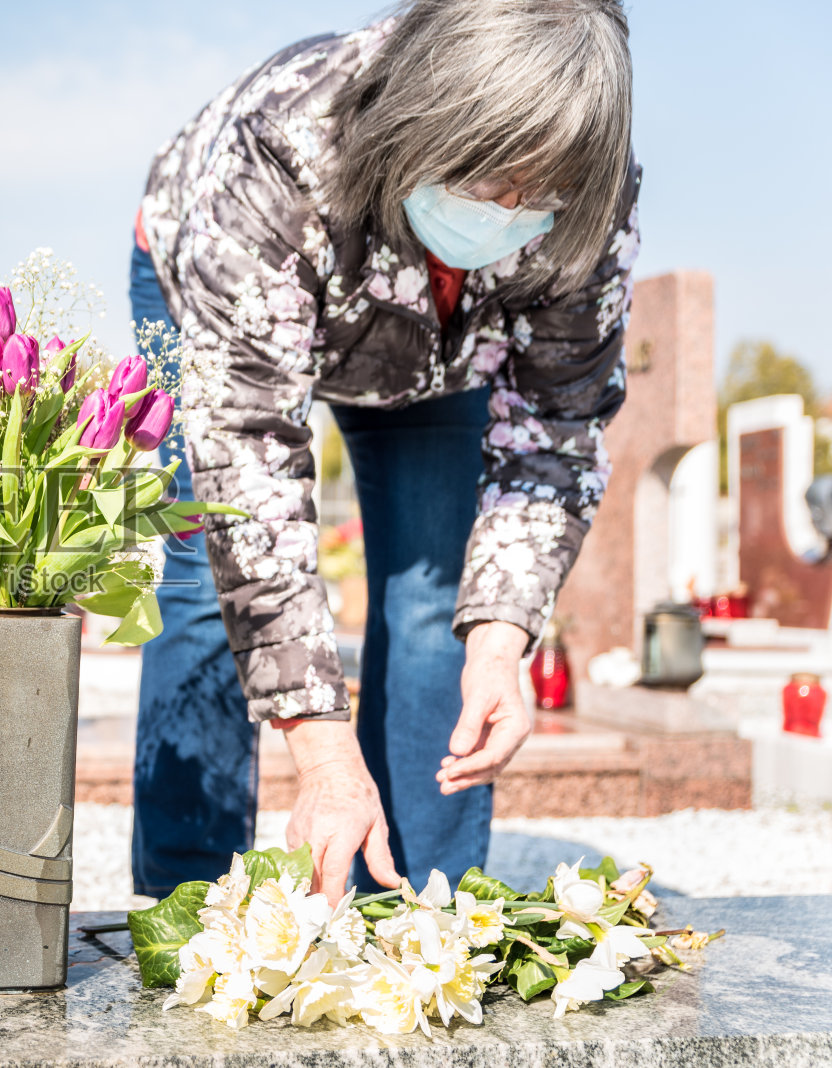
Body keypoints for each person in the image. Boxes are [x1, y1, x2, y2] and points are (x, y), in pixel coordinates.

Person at [130, 0, 639, 904]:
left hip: (439, 356)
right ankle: (188, 896)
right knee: (206, 580)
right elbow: (247, 457)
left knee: (437, 597)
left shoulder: (590, 187)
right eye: (486, 182)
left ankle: (416, 904)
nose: (509, 213)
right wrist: (325, 756)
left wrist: (500, 642)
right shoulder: (285, 148)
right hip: (219, 283)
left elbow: (558, 427)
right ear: (420, 123)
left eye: (538, 196)